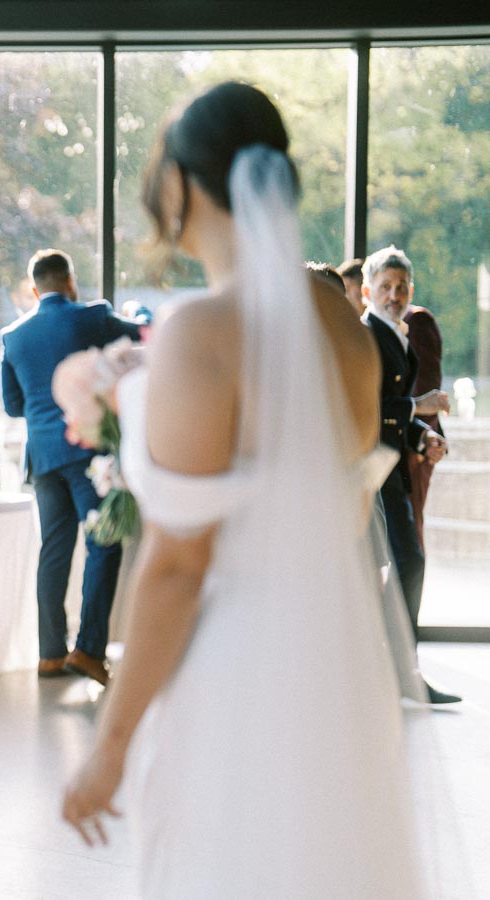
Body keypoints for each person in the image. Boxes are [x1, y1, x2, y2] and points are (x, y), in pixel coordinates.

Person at [61, 82, 426, 897]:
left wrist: (110, 744)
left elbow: (180, 565)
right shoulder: (340, 324)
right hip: (332, 672)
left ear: (184, 185)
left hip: (232, 671)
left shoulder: (203, 331)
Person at [0, 249, 141, 686]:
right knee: (104, 543)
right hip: (86, 451)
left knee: (55, 550)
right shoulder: (92, 317)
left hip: (42, 458)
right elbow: (142, 337)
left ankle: (49, 654)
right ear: (71, 281)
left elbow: (13, 405)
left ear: (35, 287)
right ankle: (90, 650)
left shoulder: (12, 336)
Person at [361, 245, 458, 704]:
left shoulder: (397, 335)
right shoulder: (364, 338)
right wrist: (418, 408)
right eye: (385, 287)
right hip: (367, 474)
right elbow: (366, 409)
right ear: (367, 291)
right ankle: (393, 667)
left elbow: (391, 413)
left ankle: (396, 665)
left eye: (401, 288)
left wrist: (421, 437)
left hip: (390, 470)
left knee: (405, 563)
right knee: (395, 564)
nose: (395, 295)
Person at [404, 299, 446, 550]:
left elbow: (427, 388)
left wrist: (423, 439)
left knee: (408, 542)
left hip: (411, 449)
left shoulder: (417, 322)